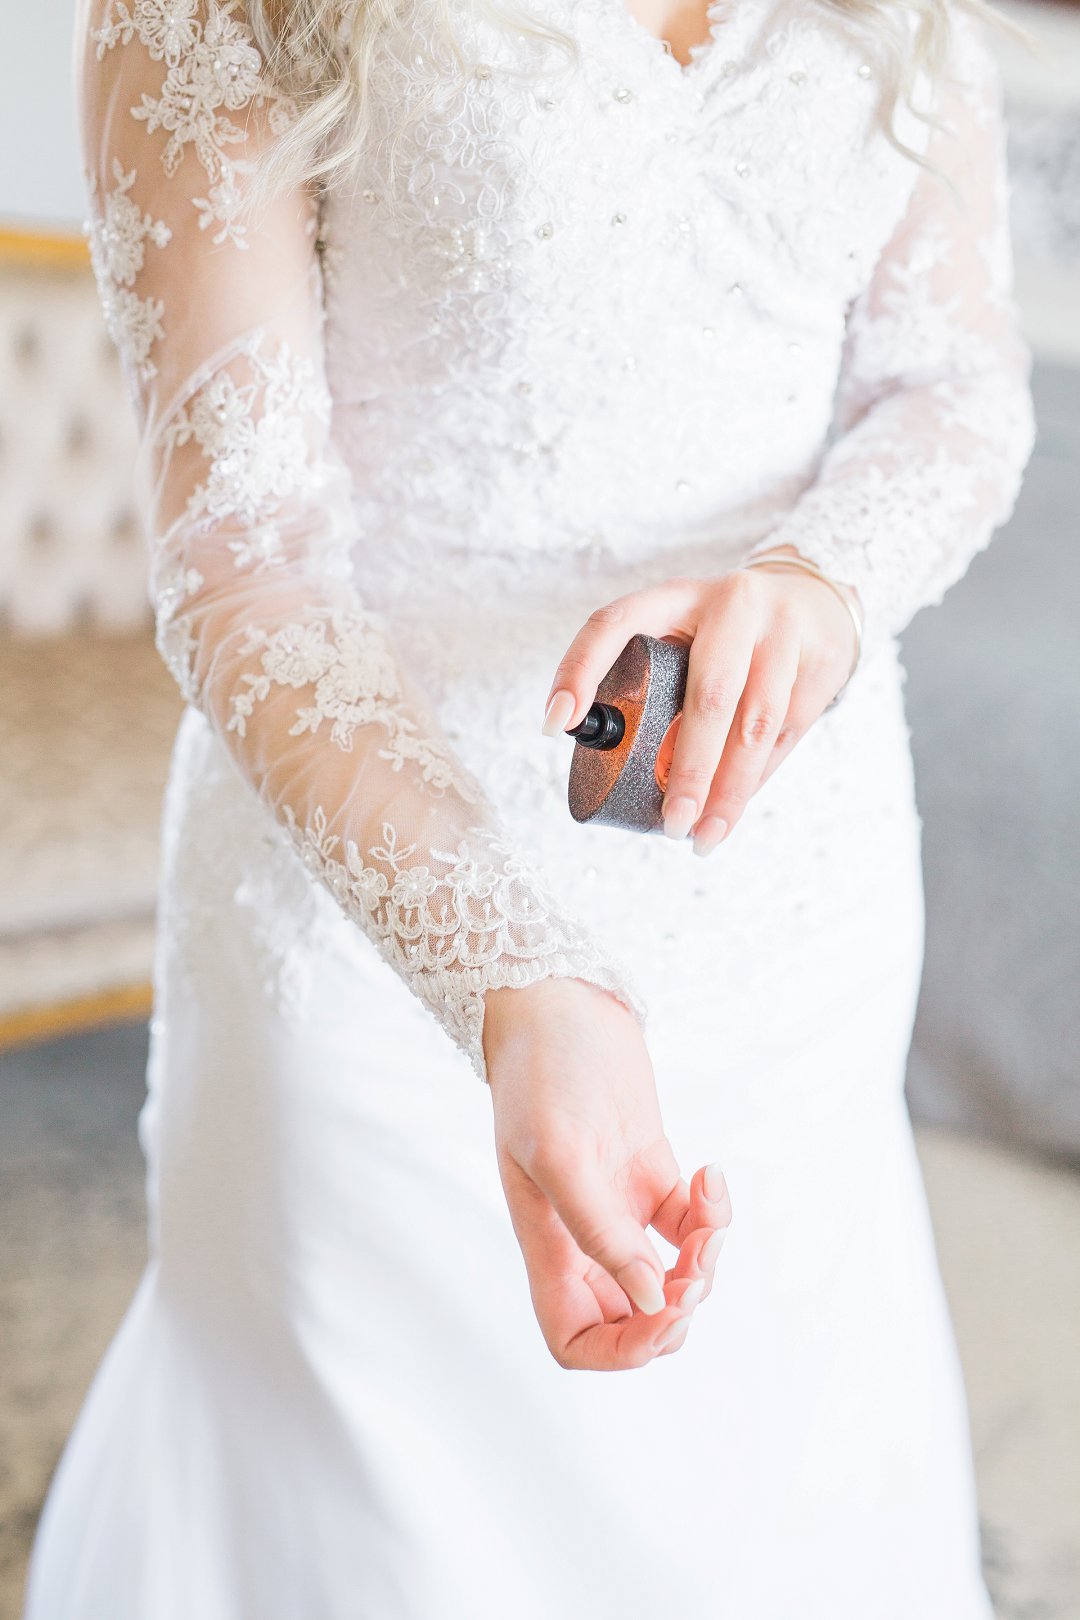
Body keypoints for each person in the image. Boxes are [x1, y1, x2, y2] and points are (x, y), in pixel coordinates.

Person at [25, 0, 1034, 1614]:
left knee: (785, 1497)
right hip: (380, 946)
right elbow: (246, 565)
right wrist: (509, 975)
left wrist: (823, 585)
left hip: (796, 921)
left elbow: (954, 388)